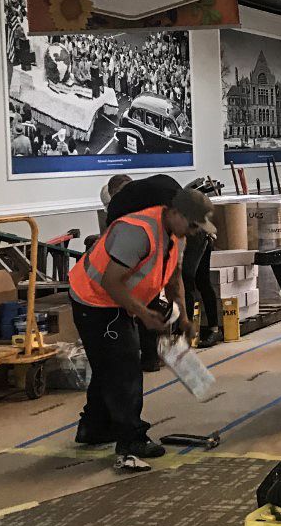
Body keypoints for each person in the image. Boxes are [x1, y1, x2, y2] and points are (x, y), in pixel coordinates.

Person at [68, 188, 214, 472]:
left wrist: (184, 317)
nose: (195, 231)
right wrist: (143, 313)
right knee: (124, 367)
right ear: (176, 213)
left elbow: (173, 279)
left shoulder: (176, 236)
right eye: (193, 224)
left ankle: (93, 428)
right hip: (95, 300)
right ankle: (131, 439)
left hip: (117, 300)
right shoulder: (137, 232)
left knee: (109, 364)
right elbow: (111, 281)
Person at [105, 174, 221, 352]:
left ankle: (176, 339)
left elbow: (172, 279)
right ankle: (206, 330)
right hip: (196, 227)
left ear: (113, 193)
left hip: (184, 227)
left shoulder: (120, 205)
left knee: (184, 279)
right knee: (199, 279)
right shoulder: (155, 187)